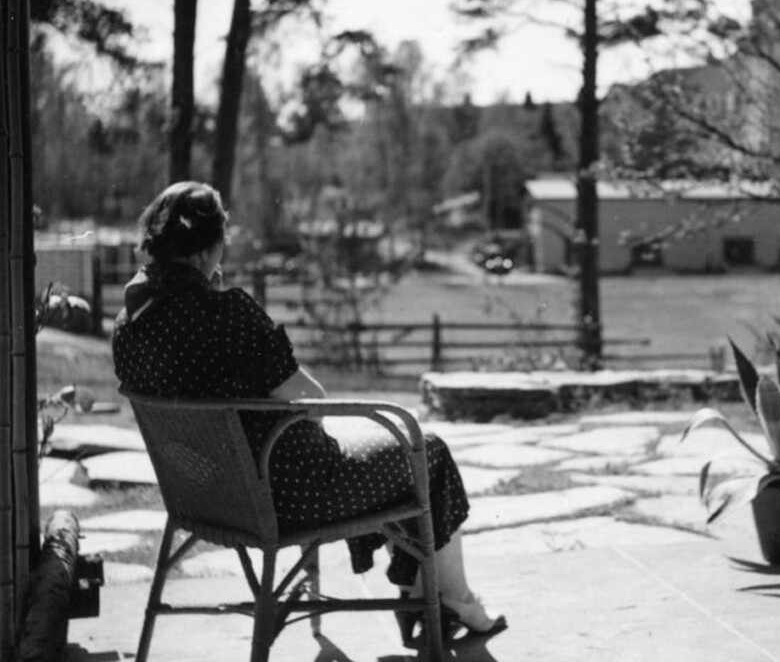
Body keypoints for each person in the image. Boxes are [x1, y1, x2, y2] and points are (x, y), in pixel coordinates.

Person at [112, 181, 506, 643]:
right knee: (425, 449)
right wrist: (220, 300)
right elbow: (311, 400)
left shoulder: (129, 325)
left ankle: (421, 595)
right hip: (292, 497)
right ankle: (447, 599)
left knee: (388, 455)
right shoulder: (226, 313)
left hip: (207, 499)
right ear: (204, 251)